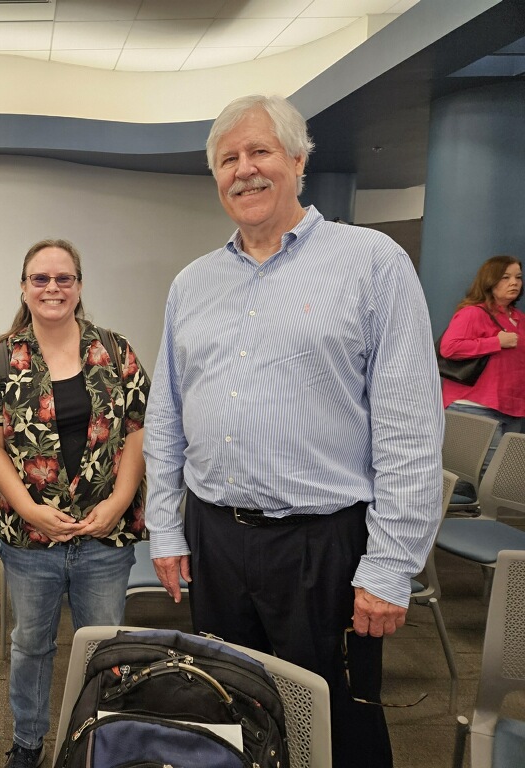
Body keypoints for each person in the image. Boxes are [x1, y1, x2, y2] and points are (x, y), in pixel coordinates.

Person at [142, 95, 444, 768]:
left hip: (323, 547)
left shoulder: (373, 262)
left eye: (260, 152)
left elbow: (410, 428)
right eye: (228, 159)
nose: (244, 170)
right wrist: (166, 526)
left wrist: (392, 566)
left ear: (298, 162)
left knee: (334, 723)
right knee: (228, 709)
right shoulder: (193, 285)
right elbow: (166, 414)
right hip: (214, 537)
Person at [0, 239, 149, 768]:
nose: (53, 288)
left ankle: (100, 743)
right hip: (32, 536)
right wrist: (27, 508)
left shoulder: (116, 351)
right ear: (24, 287)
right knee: (31, 646)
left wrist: (119, 502)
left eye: (63, 279)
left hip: (105, 533)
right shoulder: (3, 357)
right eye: (41, 279)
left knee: (103, 649)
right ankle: (28, 743)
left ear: (78, 286)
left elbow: (135, 436)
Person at [439, 255, 523, 479]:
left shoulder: (520, 319)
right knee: (485, 478)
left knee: (504, 479)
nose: (514, 282)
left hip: (514, 408)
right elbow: (449, 348)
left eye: (518, 277)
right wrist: (497, 342)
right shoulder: (473, 313)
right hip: (474, 406)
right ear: (490, 281)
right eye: (505, 277)